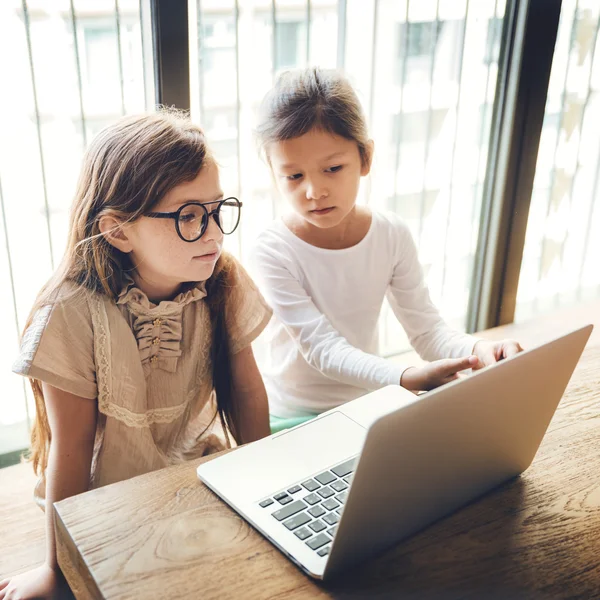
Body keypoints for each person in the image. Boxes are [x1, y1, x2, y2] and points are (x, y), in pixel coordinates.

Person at [1, 109, 272, 600]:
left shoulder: (222, 280)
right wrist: (57, 572)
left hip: (192, 470)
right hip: (100, 494)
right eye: (188, 216)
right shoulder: (71, 312)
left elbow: (249, 390)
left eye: (217, 209)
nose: (213, 233)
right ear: (118, 231)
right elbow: (72, 446)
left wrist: (266, 492)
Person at [250, 67, 522, 433]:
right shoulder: (272, 250)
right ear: (272, 173)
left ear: (365, 158)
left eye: (332, 168)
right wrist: (405, 377)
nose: (314, 191)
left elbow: (427, 332)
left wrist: (479, 351)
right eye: (294, 176)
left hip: (367, 406)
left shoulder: (390, 234)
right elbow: (322, 349)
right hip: (291, 418)